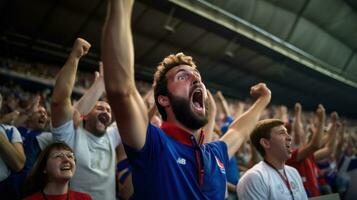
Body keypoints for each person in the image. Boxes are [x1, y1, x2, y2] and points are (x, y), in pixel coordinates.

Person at [101, 0, 271, 199]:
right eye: (182, 76)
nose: (196, 78)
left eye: (197, 75)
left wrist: (263, 100)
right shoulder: (153, 143)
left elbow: (239, 131)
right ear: (163, 100)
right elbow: (121, 90)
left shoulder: (214, 153)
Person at [51, 38, 121, 199]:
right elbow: (59, 102)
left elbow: (138, 117)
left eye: (108, 110)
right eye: (100, 107)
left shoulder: (111, 135)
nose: (105, 111)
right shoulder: (70, 137)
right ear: (86, 113)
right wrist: (75, 57)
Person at [237, 119, 308, 200]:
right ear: (265, 143)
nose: (289, 138)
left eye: (287, 132)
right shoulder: (254, 178)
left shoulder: (293, 172)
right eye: (282, 133)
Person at [23, 142, 92, 200]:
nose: (67, 159)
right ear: (44, 167)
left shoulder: (84, 198)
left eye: (70, 156)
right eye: (58, 156)